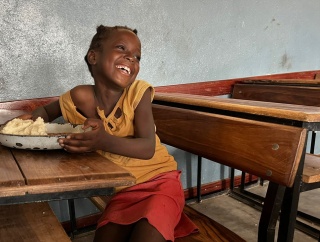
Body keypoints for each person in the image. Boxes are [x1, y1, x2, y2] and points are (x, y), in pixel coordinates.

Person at [19, 25, 197, 242]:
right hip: (123, 192)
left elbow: (147, 147)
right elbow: (47, 111)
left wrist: (103, 141)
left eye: (137, 56)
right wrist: (31, 119)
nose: (131, 58)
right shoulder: (79, 96)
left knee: (146, 236)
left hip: (159, 182)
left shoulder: (137, 93)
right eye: (121, 48)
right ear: (93, 57)